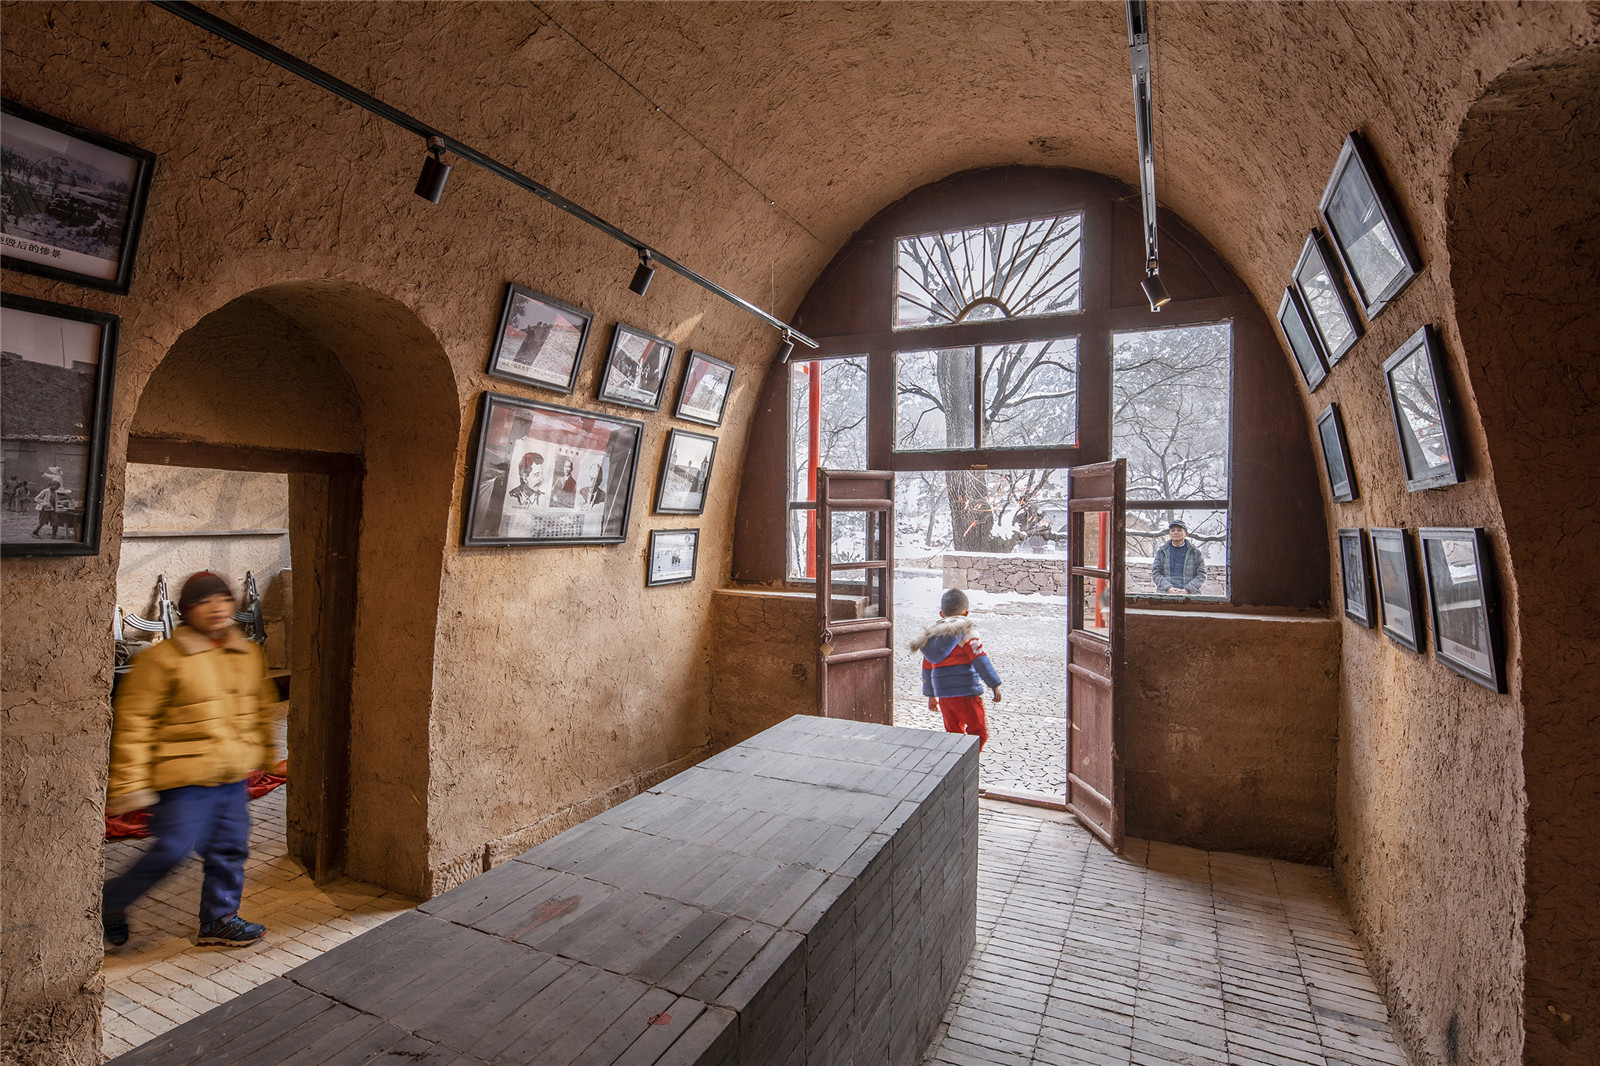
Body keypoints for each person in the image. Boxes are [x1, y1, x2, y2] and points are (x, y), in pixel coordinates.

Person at [102, 571, 279, 950]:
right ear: (185, 611)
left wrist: (267, 755)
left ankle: (219, 919)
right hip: (183, 779)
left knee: (230, 848)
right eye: (203, 602)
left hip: (230, 777)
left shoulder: (246, 654)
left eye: (223, 599)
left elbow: (258, 708)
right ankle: (111, 901)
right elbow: (135, 725)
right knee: (172, 848)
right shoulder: (162, 661)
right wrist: (129, 785)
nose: (216, 608)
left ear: (233, 605)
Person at [910, 587, 1002, 749]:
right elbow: (979, 659)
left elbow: (927, 666)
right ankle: (968, 763)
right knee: (979, 733)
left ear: (941, 614)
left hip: (944, 695)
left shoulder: (932, 635)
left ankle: (957, 765)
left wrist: (931, 695)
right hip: (966, 692)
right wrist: (994, 684)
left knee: (953, 734)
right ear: (966, 613)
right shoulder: (966, 630)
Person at [1152, 519, 1207, 595]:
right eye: (1173, 530)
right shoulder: (1162, 552)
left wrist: (1187, 590)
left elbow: (1201, 575)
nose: (1175, 532)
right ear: (1169, 533)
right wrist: (1169, 588)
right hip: (1165, 594)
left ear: (1186, 534)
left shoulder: (1195, 552)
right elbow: (1156, 573)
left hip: (1190, 596)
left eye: (1179, 530)